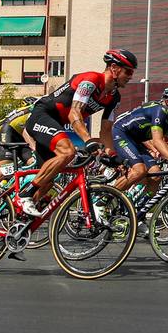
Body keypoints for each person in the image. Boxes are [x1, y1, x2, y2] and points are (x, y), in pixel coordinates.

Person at [20, 49, 136, 216]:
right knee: (68, 152)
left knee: (49, 180)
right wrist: (87, 140)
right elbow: (74, 113)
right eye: (128, 71)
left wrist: (111, 156)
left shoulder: (114, 97)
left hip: (56, 123)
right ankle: (26, 193)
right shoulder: (91, 80)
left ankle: (21, 219)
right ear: (114, 68)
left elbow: (106, 129)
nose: (130, 76)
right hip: (43, 115)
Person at [111, 87, 168, 194]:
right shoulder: (160, 111)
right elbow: (157, 141)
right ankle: (105, 198)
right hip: (121, 133)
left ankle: (139, 208)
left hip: (136, 141)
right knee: (139, 170)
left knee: (156, 175)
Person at [0, 97, 37, 185]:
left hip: (14, 135)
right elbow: (24, 131)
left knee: (33, 163)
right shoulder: (25, 113)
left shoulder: (28, 113)